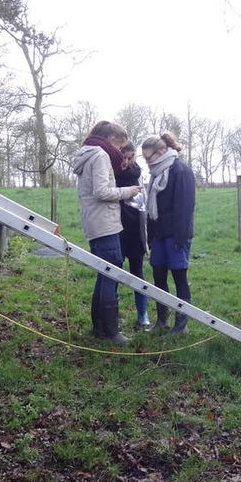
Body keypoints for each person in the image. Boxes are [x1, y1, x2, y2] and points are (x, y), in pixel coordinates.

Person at [72, 121, 141, 344]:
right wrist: (128, 191)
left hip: (94, 222)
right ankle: (112, 332)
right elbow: (101, 192)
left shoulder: (89, 154)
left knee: (104, 274)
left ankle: (100, 328)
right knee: (111, 272)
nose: (121, 152)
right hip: (105, 223)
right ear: (112, 139)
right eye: (120, 147)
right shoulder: (100, 155)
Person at [141, 132, 196, 335]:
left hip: (176, 236)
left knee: (179, 277)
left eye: (149, 157)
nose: (147, 162)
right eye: (144, 158)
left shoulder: (181, 172)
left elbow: (185, 208)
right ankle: (161, 321)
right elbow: (150, 208)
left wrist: (180, 240)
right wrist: (150, 237)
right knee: (158, 277)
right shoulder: (155, 174)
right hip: (158, 236)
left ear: (161, 152)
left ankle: (181, 325)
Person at [116, 140, 151, 329]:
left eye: (131, 156)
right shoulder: (113, 174)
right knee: (114, 270)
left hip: (135, 230)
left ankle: (142, 313)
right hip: (117, 229)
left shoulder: (138, 173)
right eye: (125, 157)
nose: (128, 161)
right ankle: (112, 315)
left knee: (137, 272)